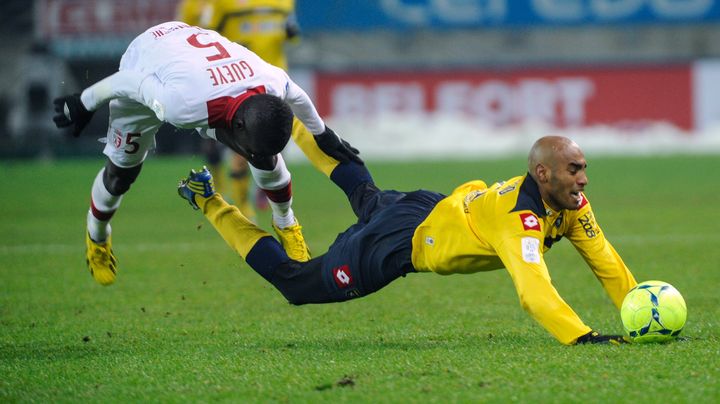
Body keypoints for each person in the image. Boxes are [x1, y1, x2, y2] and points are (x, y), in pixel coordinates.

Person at [177, 135, 639, 345]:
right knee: (297, 284)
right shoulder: (521, 219)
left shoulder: (571, 202)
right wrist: (582, 337)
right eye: (575, 170)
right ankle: (211, 202)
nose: (583, 180)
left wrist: (638, 309)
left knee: (364, 191)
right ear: (544, 174)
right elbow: (534, 293)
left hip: (430, 206)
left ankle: (300, 122)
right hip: (400, 243)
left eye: (583, 169)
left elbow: (605, 259)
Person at [52, 21, 361, 286]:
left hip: (202, 71)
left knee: (262, 154)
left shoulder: (270, 82)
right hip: (146, 62)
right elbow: (128, 82)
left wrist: (323, 134)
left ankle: (287, 225)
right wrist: (85, 102)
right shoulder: (181, 104)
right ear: (237, 124)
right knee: (121, 175)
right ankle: (97, 236)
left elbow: (297, 94)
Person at [176, 0, 301, 220]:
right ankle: (233, 196)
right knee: (234, 147)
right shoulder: (218, 3)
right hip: (238, 80)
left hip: (274, 79)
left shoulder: (284, 2)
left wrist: (291, 34)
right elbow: (203, 35)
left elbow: (289, 32)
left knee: (269, 142)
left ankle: (259, 195)